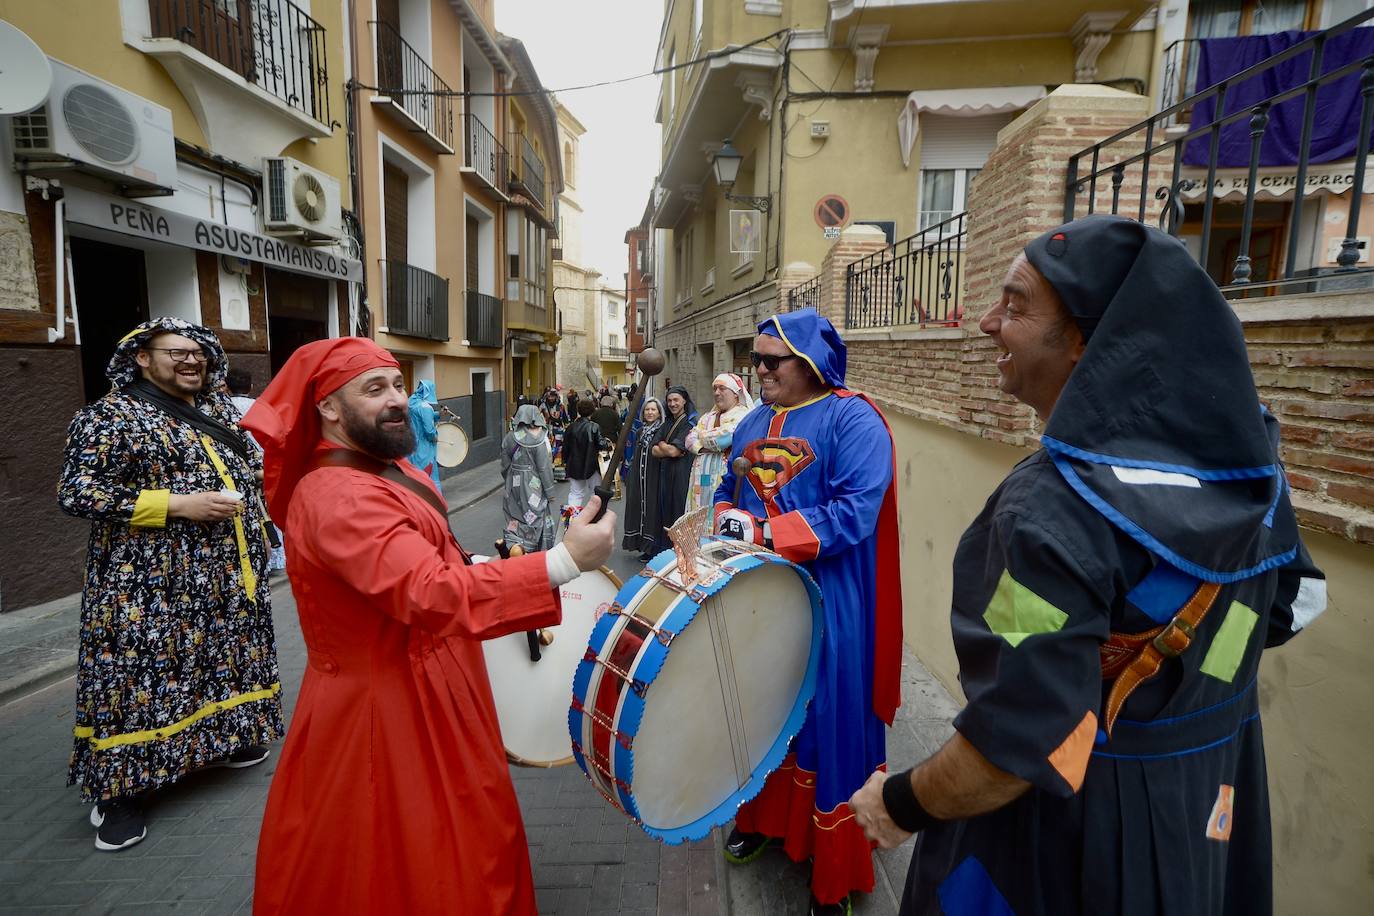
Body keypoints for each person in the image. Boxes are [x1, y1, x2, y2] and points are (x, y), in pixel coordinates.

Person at [846, 216, 1327, 916]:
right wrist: (1180, 687)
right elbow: (1288, 609)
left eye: (1014, 305)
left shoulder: (1048, 514)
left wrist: (897, 803)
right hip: (1211, 808)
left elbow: (1024, 741)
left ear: (1089, 344)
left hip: (1077, 843)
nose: (986, 323)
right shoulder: (1249, 472)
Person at [242, 337, 617, 915]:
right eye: (374, 390)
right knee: (409, 860)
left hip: (426, 685)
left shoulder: (375, 471)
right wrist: (562, 562)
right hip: (383, 715)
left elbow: (425, 564)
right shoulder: (341, 497)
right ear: (328, 410)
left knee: (460, 839)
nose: (396, 400)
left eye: (397, 384)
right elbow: (428, 592)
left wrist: (481, 567)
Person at [57, 317, 283, 852]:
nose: (191, 360)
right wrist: (181, 505)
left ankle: (225, 739)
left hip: (225, 578)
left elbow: (251, 463)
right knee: (134, 677)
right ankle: (119, 794)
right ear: (141, 357)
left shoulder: (216, 410)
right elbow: (77, 492)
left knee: (218, 660)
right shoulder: (109, 417)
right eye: (177, 351)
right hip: (145, 586)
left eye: (200, 353)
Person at [713, 309, 903, 916]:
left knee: (830, 722)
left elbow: (855, 511)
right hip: (759, 599)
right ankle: (765, 819)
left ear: (812, 363)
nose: (759, 369)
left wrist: (771, 534)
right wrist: (725, 519)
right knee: (765, 715)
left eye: (773, 360)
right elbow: (727, 489)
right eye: (757, 359)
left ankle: (834, 869)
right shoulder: (751, 424)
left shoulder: (855, 419)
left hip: (831, 599)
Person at [227, 367, 287, 574]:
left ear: (226, 387)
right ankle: (278, 557)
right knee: (270, 511)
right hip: (266, 465)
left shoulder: (223, 408)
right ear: (251, 386)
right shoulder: (261, 407)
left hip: (240, 467)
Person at [685, 373, 754, 514]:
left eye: (722, 388)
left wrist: (701, 435)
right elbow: (688, 440)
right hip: (700, 478)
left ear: (736, 393)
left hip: (723, 478)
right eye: (715, 388)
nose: (717, 393)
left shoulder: (744, 415)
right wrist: (705, 444)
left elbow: (722, 440)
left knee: (717, 515)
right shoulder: (708, 416)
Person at [646, 386, 697, 557]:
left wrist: (662, 444)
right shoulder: (667, 422)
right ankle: (664, 552)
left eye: (676, 400)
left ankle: (680, 553)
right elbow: (653, 449)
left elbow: (674, 451)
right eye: (669, 401)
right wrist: (664, 447)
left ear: (684, 401)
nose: (673, 404)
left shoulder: (689, 424)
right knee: (663, 512)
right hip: (665, 473)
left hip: (681, 474)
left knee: (677, 512)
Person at [500, 403, 557, 552]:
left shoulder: (510, 437)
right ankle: (535, 547)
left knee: (515, 514)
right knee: (535, 514)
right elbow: (544, 468)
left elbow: (504, 465)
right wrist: (550, 492)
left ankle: (515, 545)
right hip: (534, 484)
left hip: (513, 482)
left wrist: (510, 480)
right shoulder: (539, 439)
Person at [621, 397, 664, 557]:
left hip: (654, 476)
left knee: (652, 511)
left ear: (659, 412)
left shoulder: (662, 430)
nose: (650, 412)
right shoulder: (640, 431)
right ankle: (642, 546)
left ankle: (652, 548)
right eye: (647, 409)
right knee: (639, 510)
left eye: (653, 409)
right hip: (639, 476)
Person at [562, 398, 604, 507]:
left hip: (574, 464)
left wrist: (565, 461)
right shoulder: (594, 426)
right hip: (592, 465)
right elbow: (601, 444)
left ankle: (572, 519)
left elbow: (565, 447)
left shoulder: (571, 427)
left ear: (578, 411)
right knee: (595, 493)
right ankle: (594, 518)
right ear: (592, 411)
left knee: (576, 493)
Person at [407, 379, 442, 489]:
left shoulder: (411, 402)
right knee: (430, 475)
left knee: (415, 475)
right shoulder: (425, 407)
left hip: (412, 445)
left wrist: (439, 414)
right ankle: (433, 502)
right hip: (425, 447)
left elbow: (420, 417)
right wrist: (434, 437)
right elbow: (428, 430)